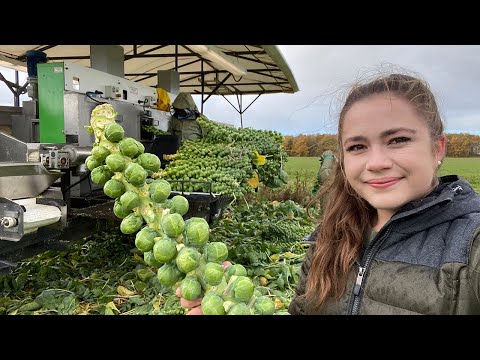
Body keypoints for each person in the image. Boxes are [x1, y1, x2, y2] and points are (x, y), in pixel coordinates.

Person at [288, 70, 480, 315]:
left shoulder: (471, 245)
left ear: (437, 149)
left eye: (398, 140)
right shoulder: (330, 236)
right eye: (357, 147)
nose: (376, 163)